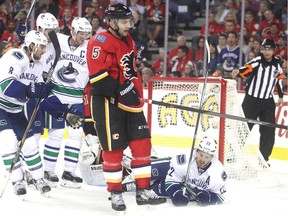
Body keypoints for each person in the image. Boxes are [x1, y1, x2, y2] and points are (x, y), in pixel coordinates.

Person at [86, 3, 166, 211]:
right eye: (124, 21)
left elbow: (127, 69)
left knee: (142, 144)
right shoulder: (99, 41)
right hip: (108, 102)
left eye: (129, 21)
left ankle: (143, 190)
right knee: (113, 150)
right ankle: (115, 192)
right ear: (111, 22)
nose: (128, 25)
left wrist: (132, 90)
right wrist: (122, 90)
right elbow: (98, 78)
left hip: (129, 101)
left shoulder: (127, 39)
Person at [0, 30, 52, 196]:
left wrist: (44, 89)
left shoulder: (37, 64)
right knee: (9, 142)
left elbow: (37, 87)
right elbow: (6, 87)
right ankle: (17, 180)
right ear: (32, 45)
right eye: (42, 47)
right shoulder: (15, 56)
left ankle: (38, 178)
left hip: (15, 110)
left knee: (30, 143)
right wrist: (32, 90)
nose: (44, 51)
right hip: (1, 107)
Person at [42, 16, 92, 189]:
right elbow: (43, 38)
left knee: (76, 135)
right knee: (55, 134)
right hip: (56, 94)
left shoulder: (91, 47)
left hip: (77, 98)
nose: (83, 37)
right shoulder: (59, 40)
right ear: (72, 31)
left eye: (86, 34)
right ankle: (48, 170)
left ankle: (69, 172)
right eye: (81, 33)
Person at [231, 38, 285, 164]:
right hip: (252, 100)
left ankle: (264, 158)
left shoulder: (277, 63)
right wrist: (238, 72)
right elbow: (247, 69)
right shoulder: (258, 61)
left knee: (269, 131)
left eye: (270, 49)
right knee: (243, 128)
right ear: (262, 49)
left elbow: (279, 80)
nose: (267, 52)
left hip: (267, 102)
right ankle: (233, 153)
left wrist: (281, 96)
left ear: (273, 50)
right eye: (265, 49)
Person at [153, 136, 227, 206]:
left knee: (155, 190)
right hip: (169, 167)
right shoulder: (185, 161)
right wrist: (175, 193)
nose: (202, 160)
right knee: (147, 170)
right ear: (196, 152)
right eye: (201, 155)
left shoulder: (217, 173)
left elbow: (221, 197)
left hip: (186, 189)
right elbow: (171, 179)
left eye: (207, 157)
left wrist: (209, 198)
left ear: (212, 158)